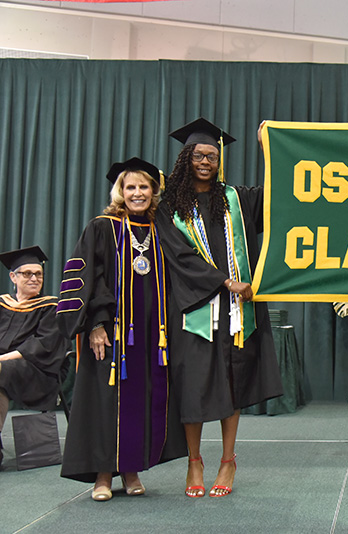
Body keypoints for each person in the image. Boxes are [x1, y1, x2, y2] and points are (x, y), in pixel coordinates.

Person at [156, 118, 282, 498]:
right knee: (193, 386)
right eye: (199, 154)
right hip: (193, 308)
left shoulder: (239, 199)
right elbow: (179, 255)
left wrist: (270, 146)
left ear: (220, 158)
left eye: (212, 154)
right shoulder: (169, 207)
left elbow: (281, 195)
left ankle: (228, 460)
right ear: (186, 158)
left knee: (233, 381)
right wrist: (225, 282)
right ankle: (195, 460)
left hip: (237, 311)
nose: (206, 161)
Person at [57, 158, 186, 500]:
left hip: (151, 334)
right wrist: (96, 324)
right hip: (112, 331)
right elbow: (88, 277)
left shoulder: (164, 229)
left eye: (144, 187)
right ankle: (102, 475)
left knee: (141, 398)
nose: (138, 193)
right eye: (131, 187)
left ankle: (131, 470)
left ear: (153, 191)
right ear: (120, 192)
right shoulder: (103, 227)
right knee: (105, 398)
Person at [0, 246, 69, 468]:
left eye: (38, 274)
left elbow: (42, 345)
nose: (34, 278)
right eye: (27, 273)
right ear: (13, 276)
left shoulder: (51, 307)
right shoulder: (2, 304)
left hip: (36, 371)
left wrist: (2, 359)